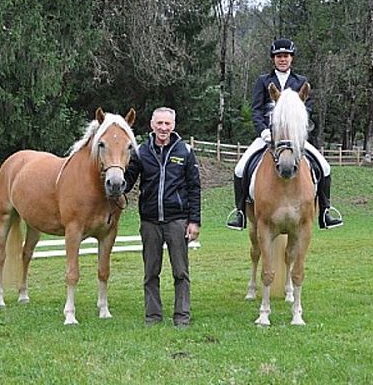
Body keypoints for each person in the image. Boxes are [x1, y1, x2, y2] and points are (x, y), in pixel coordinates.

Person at [226, 37, 343, 230]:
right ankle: (240, 213)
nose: (282, 59)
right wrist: (264, 131)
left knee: (324, 166)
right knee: (240, 169)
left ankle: (325, 212)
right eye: (279, 56)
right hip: (268, 137)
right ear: (273, 59)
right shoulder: (263, 81)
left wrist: (299, 131)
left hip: (293, 138)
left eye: (286, 56)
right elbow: (256, 110)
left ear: (291, 58)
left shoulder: (301, 82)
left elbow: (307, 110)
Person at [124, 107, 201, 327]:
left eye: (167, 124)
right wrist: (115, 181)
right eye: (159, 123)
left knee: (180, 272)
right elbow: (128, 181)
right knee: (150, 272)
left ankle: (182, 317)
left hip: (177, 220)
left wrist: (194, 221)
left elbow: (194, 188)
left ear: (173, 126)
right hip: (149, 221)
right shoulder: (141, 152)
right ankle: (153, 317)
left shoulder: (185, 151)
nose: (163, 128)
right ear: (152, 125)